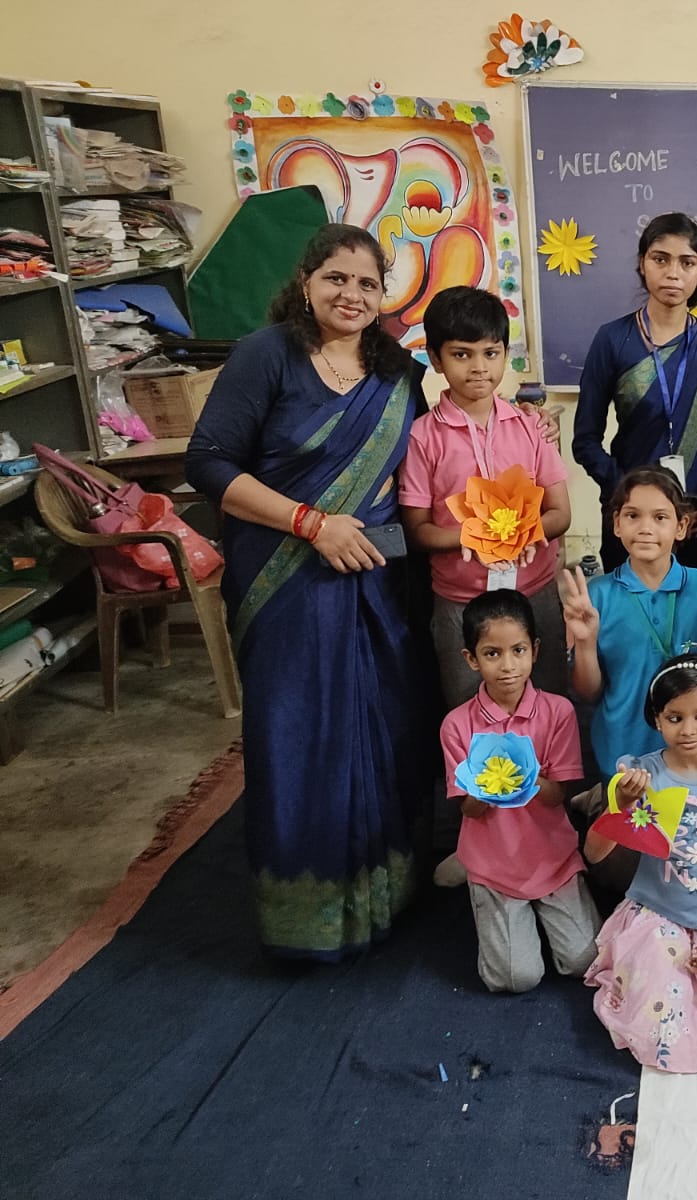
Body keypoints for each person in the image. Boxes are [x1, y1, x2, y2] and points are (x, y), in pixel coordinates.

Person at [186, 223, 429, 959]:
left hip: (376, 579)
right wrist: (310, 523)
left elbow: (429, 458)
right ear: (306, 282)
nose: (351, 294)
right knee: (300, 736)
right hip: (284, 581)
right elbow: (208, 463)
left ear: (383, 295)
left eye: (367, 283)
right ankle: (308, 914)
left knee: (384, 726)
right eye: (336, 279)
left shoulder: (399, 371)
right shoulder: (267, 355)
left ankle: (386, 892)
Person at [584, 655, 697, 1072]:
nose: (688, 730)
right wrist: (621, 805)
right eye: (675, 717)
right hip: (658, 913)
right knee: (659, 1015)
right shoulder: (641, 775)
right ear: (657, 719)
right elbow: (594, 853)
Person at [399, 285, 572, 707]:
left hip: (534, 592)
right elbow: (417, 530)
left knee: (548, 700)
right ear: (435, 359)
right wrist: (475, 538)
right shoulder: (422, 437)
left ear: (505, 354)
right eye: (461, 354)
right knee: (467, 706)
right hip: (460, 600)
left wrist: (523, 534)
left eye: (490, 353)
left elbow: (560, 513)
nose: (479, 367)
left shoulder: (532, 427)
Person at [572, 212, 697, 571]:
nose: (673, 273)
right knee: (630, 604)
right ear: (642, 264)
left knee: (696, 604)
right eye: (660, 259)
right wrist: (624, 491)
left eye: (687, 262)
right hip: (631, 518)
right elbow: (585, 439)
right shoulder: (612, 340)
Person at [441, 590, 598, 993]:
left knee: (585, 960)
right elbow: (469, 809)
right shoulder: (457, 725)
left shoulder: (558, 712)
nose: (508, 666)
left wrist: (522, 776)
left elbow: (557, 794)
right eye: (492, 654)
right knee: (516, 977)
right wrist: (485, 789)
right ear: (471, 659)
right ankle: (469, 865)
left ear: (535, 650)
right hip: (494, 862)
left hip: (551, 856)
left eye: (518, 650)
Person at [560, 465, 697, 780]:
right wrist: (585, 641)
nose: (645, 528)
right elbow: (587, 693)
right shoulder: (597, 595)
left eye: (660, 517)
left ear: (681, 526)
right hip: (621, 756)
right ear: (616, 524)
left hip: (695, 755)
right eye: (632, 516)